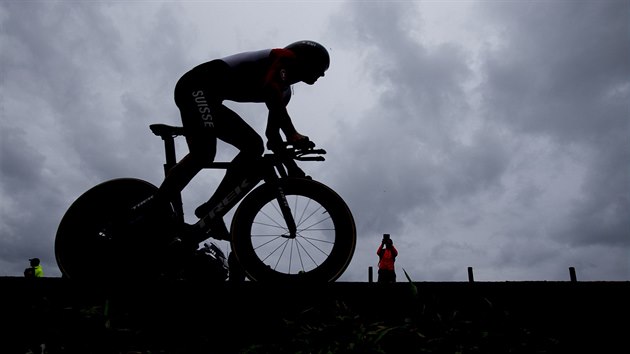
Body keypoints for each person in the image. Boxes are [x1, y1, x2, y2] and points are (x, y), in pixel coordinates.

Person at [133, 40, 330, 243]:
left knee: (254, 146)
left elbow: (272, 137)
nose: (322, 74)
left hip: (210, 98)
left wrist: (293, 169)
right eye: (321, 68)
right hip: (195, 86)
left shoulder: (285, 93)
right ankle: (156, 207)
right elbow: (271, 93)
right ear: (305, 60)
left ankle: (212, 209)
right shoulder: (282, 57)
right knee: (204, 153)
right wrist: (293, 134)